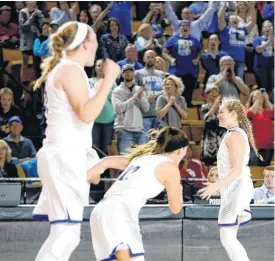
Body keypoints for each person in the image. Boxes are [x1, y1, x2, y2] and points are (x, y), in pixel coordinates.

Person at [31, 21, 120, 261]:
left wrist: (100, 87)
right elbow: (87, 113)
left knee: (64, 235)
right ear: (83, 45)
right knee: (65, 236)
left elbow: (81, 115)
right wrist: (109, 81)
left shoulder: (67, 69)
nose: (96, 47)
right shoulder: (70, 69)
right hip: (64, 156)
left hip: (65, 155)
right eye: (94, 42)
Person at [88, 126, 188, 261]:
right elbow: (176, 208)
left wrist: (81, 178)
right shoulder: (170, 168)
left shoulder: (141, 159)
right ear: (181, 149)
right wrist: (179, 190)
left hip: (100, 211)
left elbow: (106, 161)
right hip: (120, 212)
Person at [199, 98, 262, 261]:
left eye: (221, 112)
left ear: (233, 114)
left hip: (238, 187)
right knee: (228, 237)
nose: (218, 115)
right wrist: (220, 186)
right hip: (233, 187)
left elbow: (237, 170)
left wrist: (216, 186)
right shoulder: (231, 134)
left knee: (227, 237)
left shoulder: (235, 136)